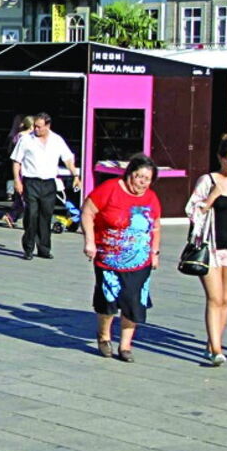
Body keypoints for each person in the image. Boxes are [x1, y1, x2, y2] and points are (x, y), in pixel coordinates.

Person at [81, 154, 161, 362]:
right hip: (109, 259)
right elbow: (87, 212)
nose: (142, 182)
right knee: (108, 302)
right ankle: (104, 336)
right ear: (129, 174)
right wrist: (90, 241)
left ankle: (125, 345)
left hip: (140, 261)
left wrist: (154, 252)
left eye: (147, 179)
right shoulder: (109, 189)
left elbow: (155, 226)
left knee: (134, 302)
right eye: (139, 176)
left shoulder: (151, 197)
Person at [185, 138, 227, 366]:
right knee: (214, 298)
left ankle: (213, 342)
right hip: (211, 247)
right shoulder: (208, 180)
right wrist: (211, 198)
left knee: (225, 299)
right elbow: (192, 211)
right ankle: (216, 349)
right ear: (220, 158)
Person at [11, 112, 81, 260]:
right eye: (35, 126)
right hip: (31, 181)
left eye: (39, 127)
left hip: (49, 182)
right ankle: (28, 248)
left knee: (46, 215)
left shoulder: (57, 140)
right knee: (31, 214)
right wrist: (17, 180)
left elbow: (68, 158)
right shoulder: (26, 140)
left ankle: (44, 248)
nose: (36, 129)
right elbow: (16, 161)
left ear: (48, 126)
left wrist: (75, 174)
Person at [2, 115, 32, 229]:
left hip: (21, 168)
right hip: (24, 169)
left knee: (20, 197)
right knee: (24, 196)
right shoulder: (25, 137)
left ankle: (11, 216)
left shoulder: (18, 136)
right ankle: (13, 216)